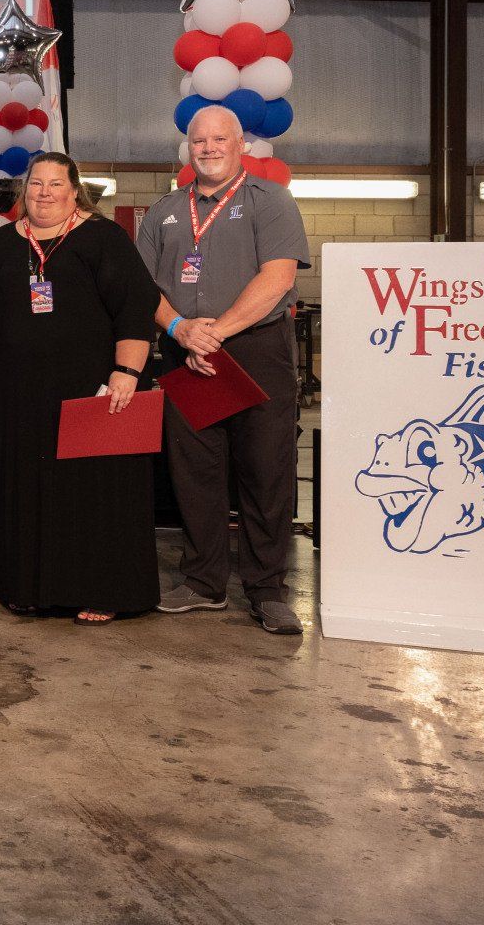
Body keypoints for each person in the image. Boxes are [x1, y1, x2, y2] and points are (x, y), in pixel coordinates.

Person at [0, 152, 161, 624]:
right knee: (25, 487)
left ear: (74, 191)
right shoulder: (6, 243)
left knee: (92, 491)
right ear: (24, 191)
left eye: (55, 184)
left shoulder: (103, 239)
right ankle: (30, 588)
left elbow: (135, 307)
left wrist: (126, 374)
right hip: (18, 395)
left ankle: (103, 591)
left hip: (91, 392)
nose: (44, 193)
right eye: (36, 184)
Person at [136, 104, 311, 635]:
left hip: (256, 350)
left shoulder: (271, 201)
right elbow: (142, 290)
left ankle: (266, 589)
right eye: (199, 141)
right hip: (185, 352)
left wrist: (217, 331)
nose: (208, 148)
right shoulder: (164, 211)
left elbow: (277, 277)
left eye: (219, 139)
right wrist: (181, 331)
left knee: (265, 470)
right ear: (188, 148)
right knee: (196, 472)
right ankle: (204, 582)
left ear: (241, 146)